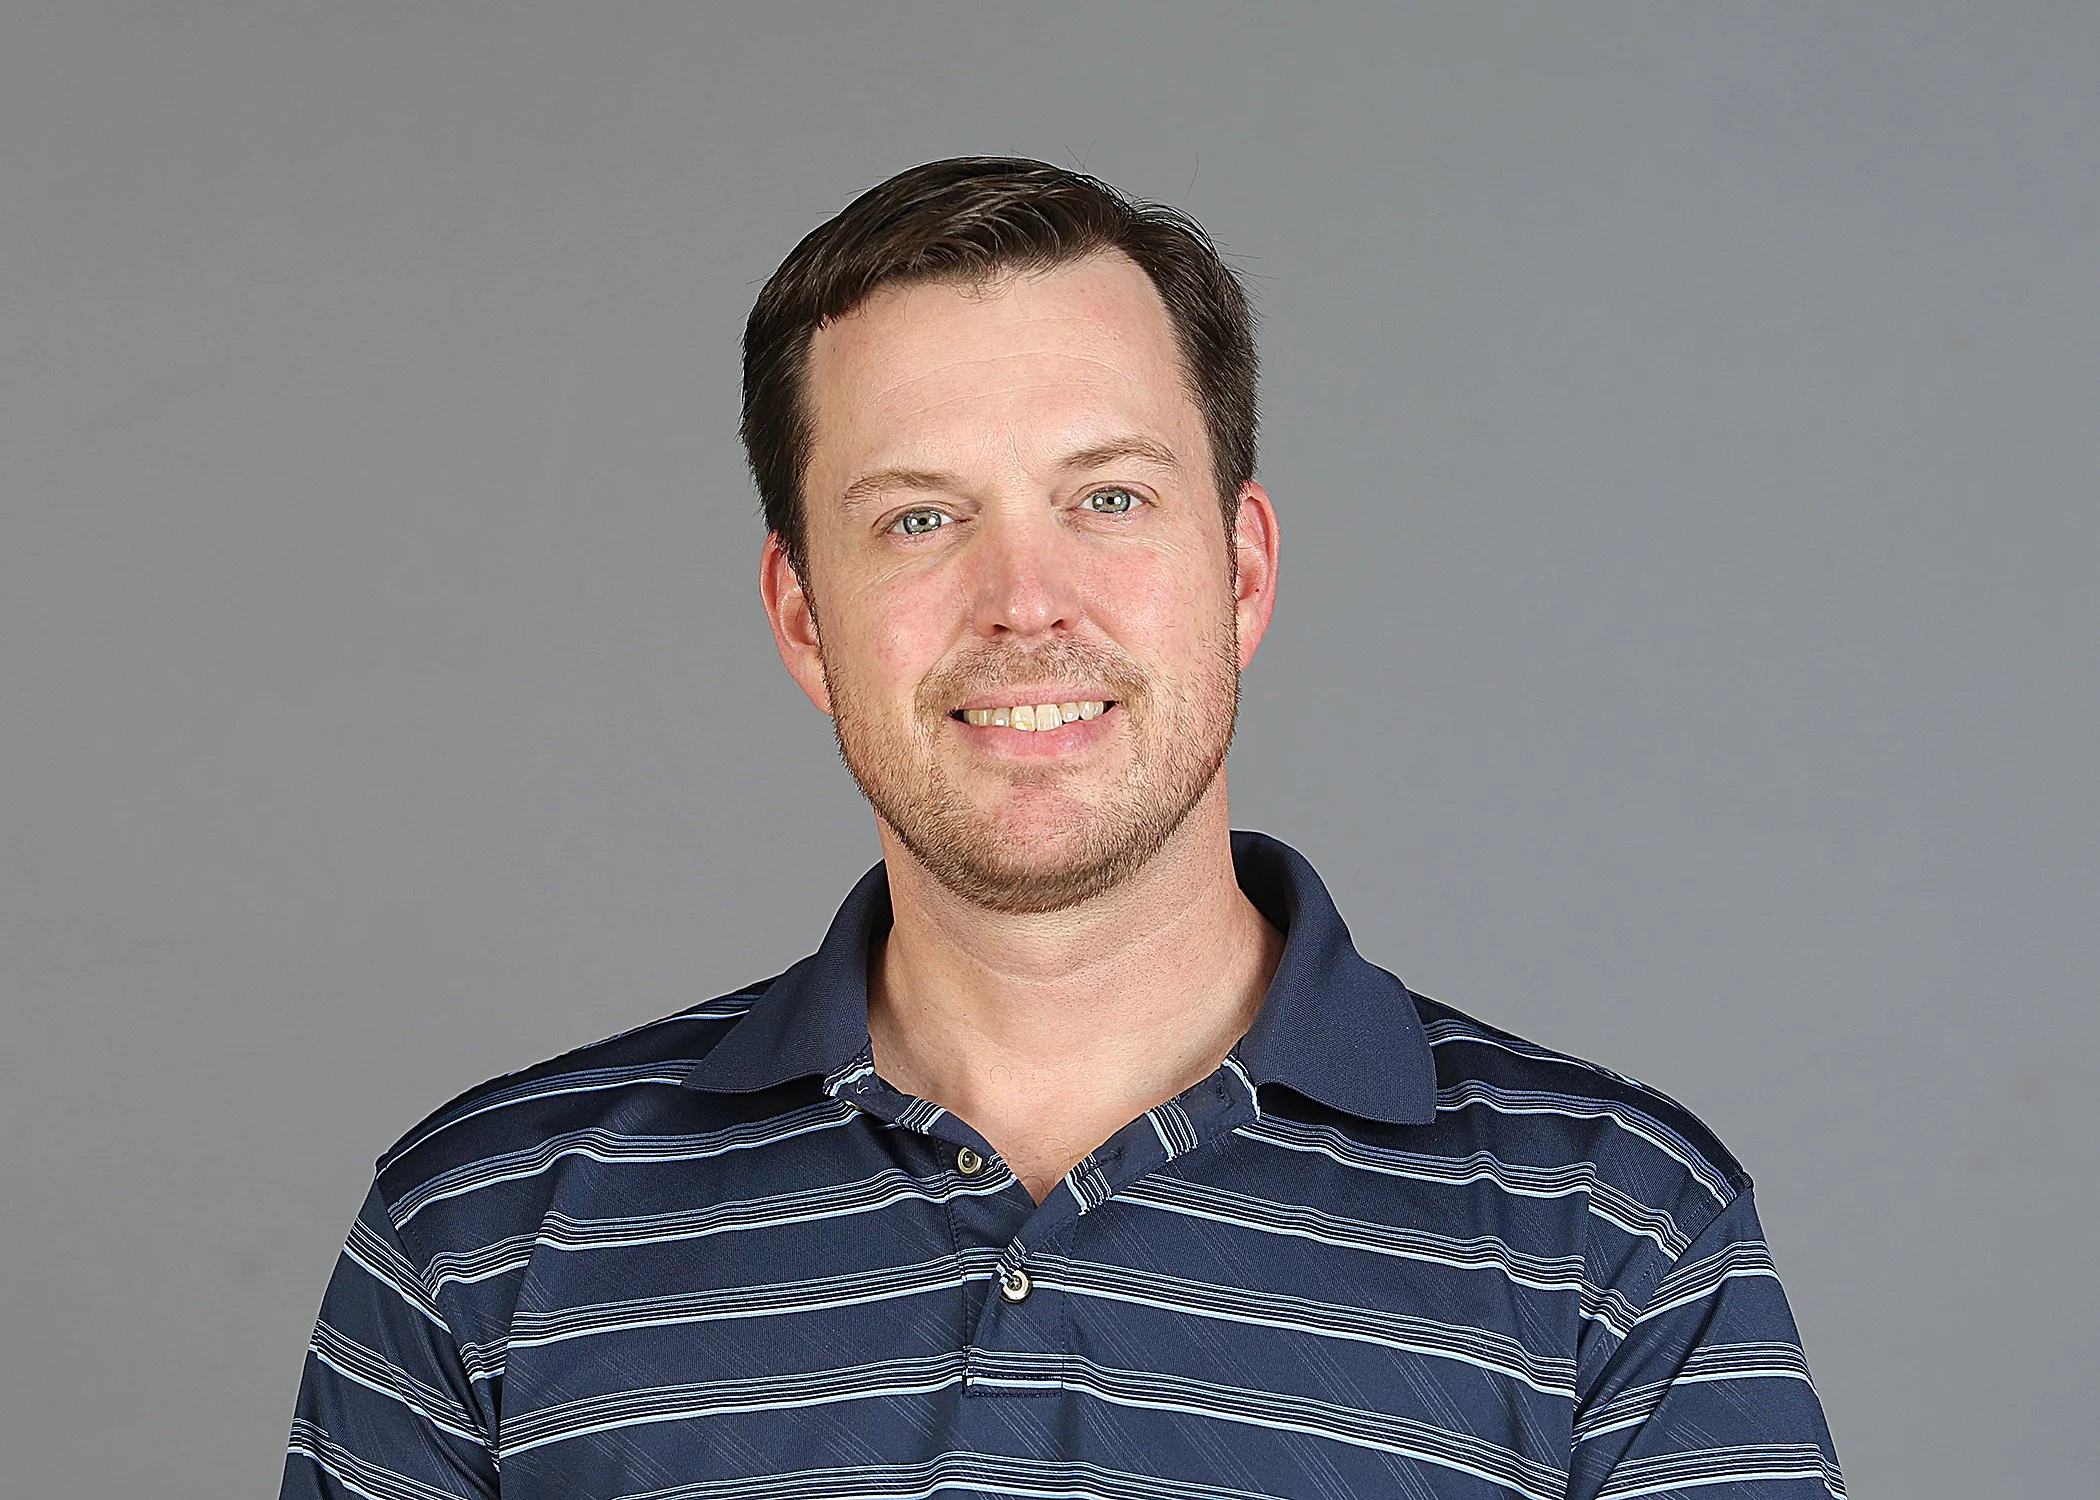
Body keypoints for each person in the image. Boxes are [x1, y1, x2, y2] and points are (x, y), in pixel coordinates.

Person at [282, 157, 1843, 1499]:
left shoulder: (1615, 1233)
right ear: (804, 618)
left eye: (1107, 499)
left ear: (1241, 572)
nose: (1025, 602)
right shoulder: (482, 1236)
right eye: (919, 517)